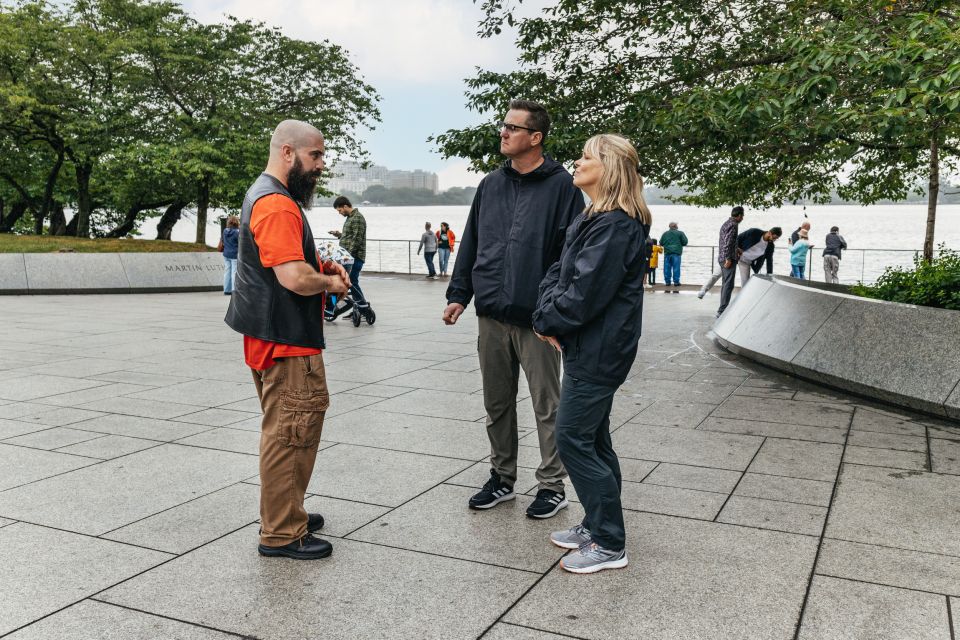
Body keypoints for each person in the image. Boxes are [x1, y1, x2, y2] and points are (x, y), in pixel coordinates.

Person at [443, 99, 584, 519]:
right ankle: (502, 478)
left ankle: (551, 485)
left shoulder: (563, 187)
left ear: (535, 137)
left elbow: (569, 255)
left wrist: (554, 311)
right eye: (503, 126)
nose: (503, 133)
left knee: (548, 406)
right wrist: (458, 294)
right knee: (497, 402)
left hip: (538, 320)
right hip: (491, 313)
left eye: (512, 127)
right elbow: (472, 242)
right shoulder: (491, 184)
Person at [224, 120, 350, 560]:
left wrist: (321, 266)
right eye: (315, 156)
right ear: (288, 153)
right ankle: (281, 532)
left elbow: (289, 262)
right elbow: (294, 278)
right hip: (287, 342)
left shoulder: (263, 194)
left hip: (269, 336)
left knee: (286, 432)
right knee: (290, 436)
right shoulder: (277, 204)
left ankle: (286, 509)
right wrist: (332, 285)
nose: (320, 165)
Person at [533, 133, 650, 574]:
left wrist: (547, 320)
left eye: (586, 157)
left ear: (610, 169)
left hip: (600, 351)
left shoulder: (616, 226)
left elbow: (582, 294)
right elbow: (556, 273)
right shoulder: (595, 218)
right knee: (595, 439)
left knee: (573, 439)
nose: (576, 163)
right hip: (588, 346)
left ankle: (609, 542)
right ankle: (596, 523)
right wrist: (546, 315)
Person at [697, 206, 744, 318]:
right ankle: (722, 311)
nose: (742, 218)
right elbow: (727, 242)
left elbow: (726, 241)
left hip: (722, 257)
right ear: (739, 216)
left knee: (725, 284)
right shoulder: (734, 225)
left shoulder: (726, 223)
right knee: (728, 285)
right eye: (742, 216)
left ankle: (722, 309)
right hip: (728, 259)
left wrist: (736, 249)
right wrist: (728, 258)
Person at [328, 196, 369, 311]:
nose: (339, 213)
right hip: (349, 258)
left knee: (351, 283)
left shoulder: (357, 218)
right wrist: (338, 235)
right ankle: (358, 307)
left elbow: (357, 239)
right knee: (350, 282)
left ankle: (362, 308)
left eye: (340, 210)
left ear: (345, 206)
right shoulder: (350, 218)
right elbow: (349, 237)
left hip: (354, 258)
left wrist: (347, 257)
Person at [659, 221, 688, 286]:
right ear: (676, 226)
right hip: (676, 253)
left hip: (667, 253)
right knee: (676, 268)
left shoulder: (665, 233)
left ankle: (667, 282)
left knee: (667, 268)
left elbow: (661, 242)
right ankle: (676, 282)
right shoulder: (680, 233)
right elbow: (685, 242)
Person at [219, 216, 240, 295]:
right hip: (234, 254)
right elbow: (240, 243)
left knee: (227, 272)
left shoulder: (225, 231)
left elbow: (223, 240)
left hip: (226, 254)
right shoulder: (237, 232)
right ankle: (234, 290)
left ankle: (226, 290)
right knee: (234, 272)